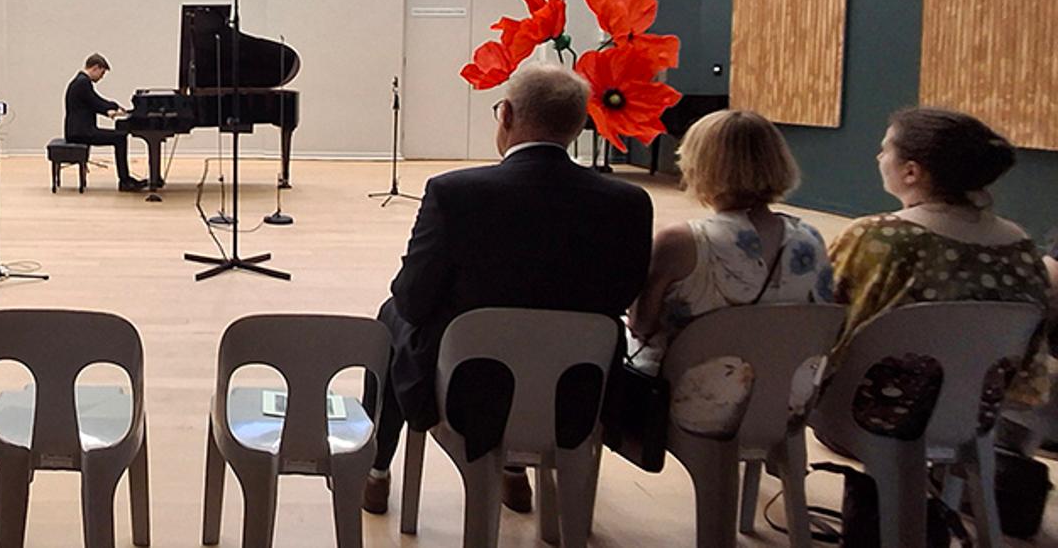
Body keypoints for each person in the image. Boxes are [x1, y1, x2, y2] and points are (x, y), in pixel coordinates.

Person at [363, 65, 653, 515]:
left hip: (469, 391)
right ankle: (514, 473)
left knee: (392, 314)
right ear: (579, 125)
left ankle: (376, 468)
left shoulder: (454, 194)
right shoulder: (629, 203)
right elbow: (620, 299)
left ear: (508, 116)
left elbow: (414, 300)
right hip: (576, 395)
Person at [826, 108, 1055, 439]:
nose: (878, 156)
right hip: (974, 418)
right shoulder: (1021, 247)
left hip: (870, 415)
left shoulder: (877, 238)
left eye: (885, 148)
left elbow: (825, 319)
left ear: (911, 172)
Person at [628, 110, 832, 438]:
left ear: (700, 165)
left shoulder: (681, 242)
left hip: (696, 406)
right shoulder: (810, 239)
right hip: (786, 403)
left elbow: (642, 325)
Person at [64, 53, 146, 191]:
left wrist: (112, 108)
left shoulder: (80, 81)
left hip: (79, 130)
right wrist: (111, 109)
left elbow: (94, 102)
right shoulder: (82, 83)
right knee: (120, 138)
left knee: (119, 136)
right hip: (80, 132)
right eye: (102, 73)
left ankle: (125, 180)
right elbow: (95, 102)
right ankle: (125, 181)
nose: (101, 77)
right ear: (95, 68)